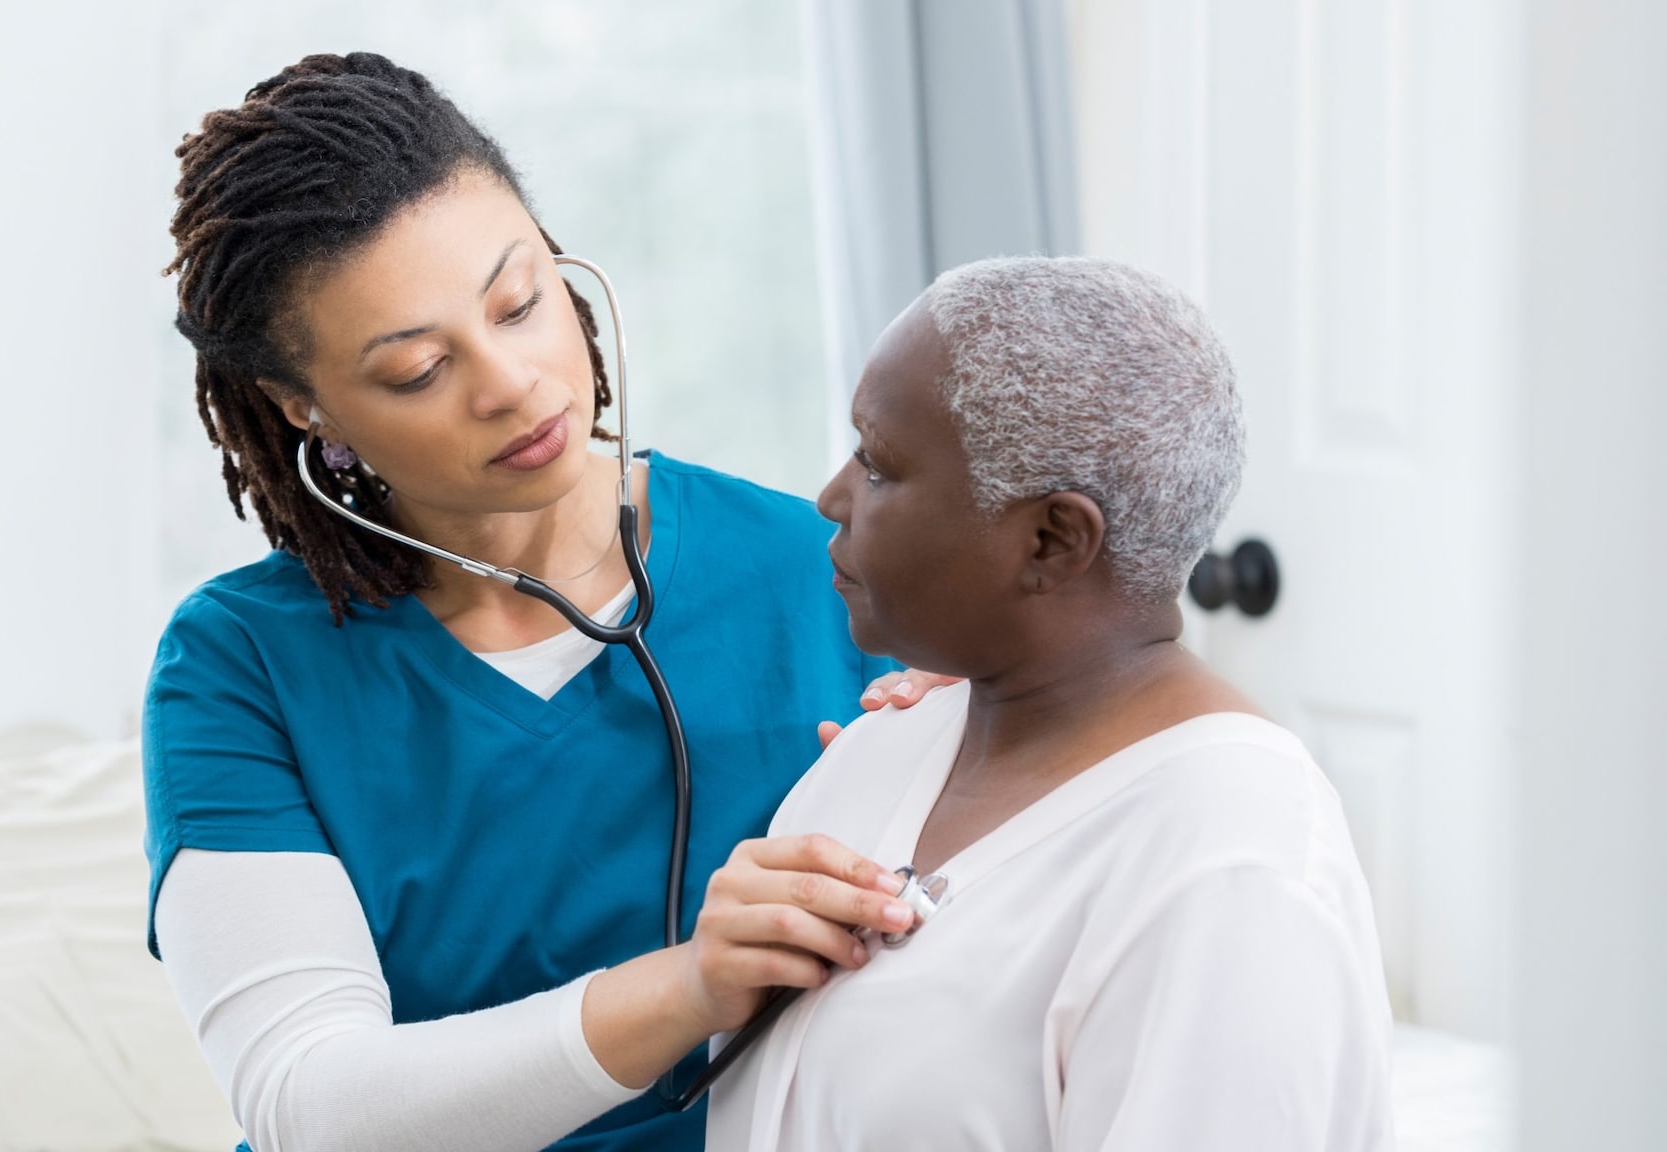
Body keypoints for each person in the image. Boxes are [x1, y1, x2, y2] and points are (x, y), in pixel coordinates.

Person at [143, 52, 947, 1152]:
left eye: (520, 302)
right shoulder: (241, 667)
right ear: (301, 405)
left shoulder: (828, 571)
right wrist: (691, 987)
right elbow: (310, 1105)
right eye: (419, 370)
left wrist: (978, 769)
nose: (512, 383)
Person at [706, 257, 1395, 1151]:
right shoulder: (886, 746)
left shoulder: (1231, 871)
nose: (831, 498)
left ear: (1052, 539)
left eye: (879, 467)